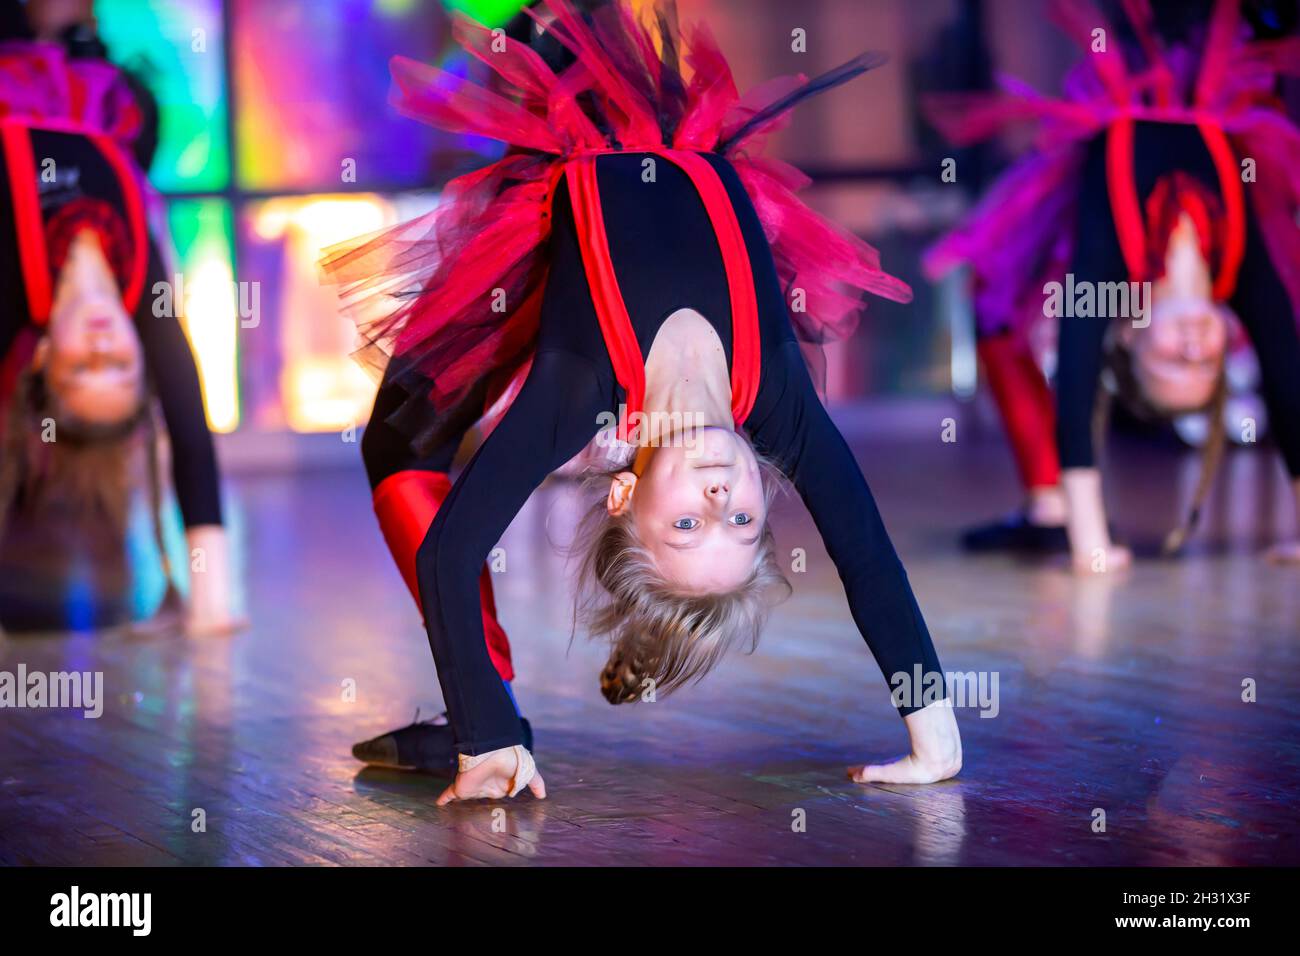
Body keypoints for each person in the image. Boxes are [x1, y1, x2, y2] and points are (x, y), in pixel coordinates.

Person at [326, 0, 961, 803]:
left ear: (624, 492)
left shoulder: (579, 392)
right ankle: (482, 703)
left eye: (688, 524)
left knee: (393, 448)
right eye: (741, 521)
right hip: (660, 105)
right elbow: (865, 551)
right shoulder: (779, 405)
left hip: (545, 126)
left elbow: (451, 550)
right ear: (768, 492)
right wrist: (933, 729)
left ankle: (485, 711)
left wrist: (485, 740)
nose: (722, 496)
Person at [923, 0, 1300, 569]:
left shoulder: (1114, 271)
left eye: (1177, 362)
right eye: (1206, 366)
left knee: (992, 304)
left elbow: (1076, 378)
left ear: (1126, 334)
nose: (1197, 348)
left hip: (1124, 35)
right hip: (1213, 45)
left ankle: (1048, 505)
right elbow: (1289, 379)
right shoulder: (1237, 270)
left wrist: (1090, 539)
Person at [0, 39, 239, 633]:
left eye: (85, 368)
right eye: (120, 369)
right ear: (141, 355)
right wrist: (210, 603)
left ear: (46, 358)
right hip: (92, 94)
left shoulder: (15, 285)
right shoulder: (141, 294)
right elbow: (189, 429)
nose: (105, 346)